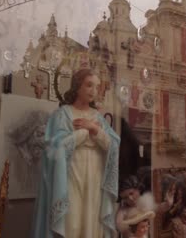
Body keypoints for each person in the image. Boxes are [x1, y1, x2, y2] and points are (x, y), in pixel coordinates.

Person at [31, 68, 120, 238]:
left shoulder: (98, 118)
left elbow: (113, 146)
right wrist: (83, 134)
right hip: (71, 174)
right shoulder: (62, 115)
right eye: (89, 85)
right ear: (77, 87)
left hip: (95, 175)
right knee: (73, 222)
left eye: (96, 87)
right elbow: (53, 148)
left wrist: (94, 129)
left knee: (91, 222)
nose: (93, 91)